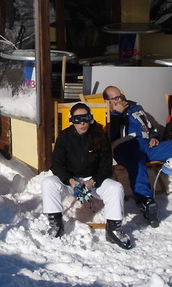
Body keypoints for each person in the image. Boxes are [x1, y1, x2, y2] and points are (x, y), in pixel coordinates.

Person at [103, 85, 172, 229]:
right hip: (126, 147)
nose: (120, 100)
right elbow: (107, 137)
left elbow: (149, 126)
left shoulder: (135, 107)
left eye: (120, 96)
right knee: (137, 161)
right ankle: (145, 201)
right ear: (107, 101)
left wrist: (154, 137)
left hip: (149, 145)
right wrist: (116, 114)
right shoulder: (106, 114)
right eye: (115, 98)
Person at [42, 102, 131, 249]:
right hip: (72, 182)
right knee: (48, 183)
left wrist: (93, 181)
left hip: (94, 182)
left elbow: (105, 166)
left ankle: (113, 228)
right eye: (77, 119)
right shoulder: (65, 136)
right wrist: (70, 180)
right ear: (72, 121)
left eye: (85, 118)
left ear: (90, 118)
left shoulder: (99, 136)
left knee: (116, 188)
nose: (82, 122)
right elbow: (56, 165)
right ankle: (55, 224)